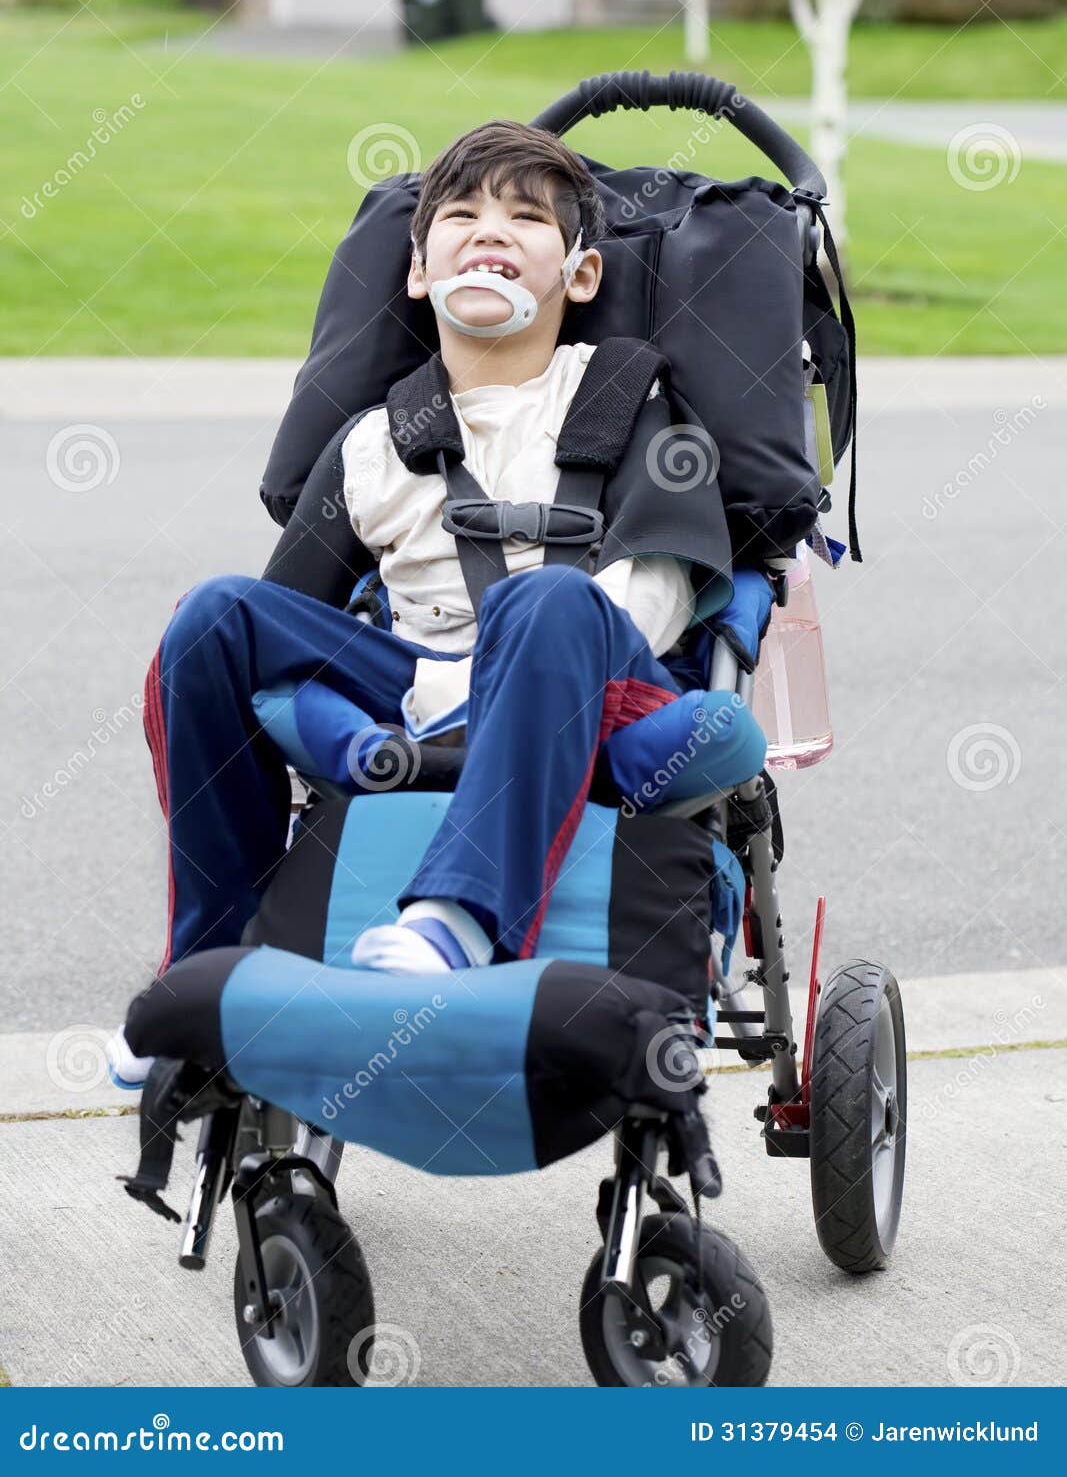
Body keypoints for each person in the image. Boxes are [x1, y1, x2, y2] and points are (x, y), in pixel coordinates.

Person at [108, 120, 742, 1087]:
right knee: (216, 617)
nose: (491, 231)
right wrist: (425, 678)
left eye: (527, 217)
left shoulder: (630, 395)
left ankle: (458, 917)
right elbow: (287, 622)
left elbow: (657, 586)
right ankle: (211, 961)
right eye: (462, 214)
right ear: (416, 270)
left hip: (598, 674)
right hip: (415, 676)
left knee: (550, 601)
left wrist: (493, 668)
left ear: (577, 277)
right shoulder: (371, 440)